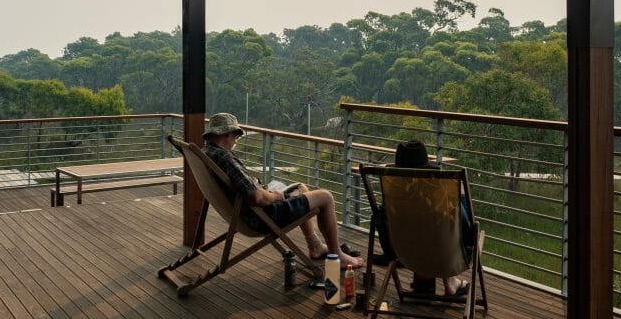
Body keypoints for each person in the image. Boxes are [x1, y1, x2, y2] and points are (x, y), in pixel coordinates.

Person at [202, 113, 362, 269]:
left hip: (246, 213)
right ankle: (337, 255)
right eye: (236, 136)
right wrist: (275, 196)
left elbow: (247, 189)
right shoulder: (224, 158)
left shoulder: (208, 152)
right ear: (228, 134)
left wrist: (260, 186)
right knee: (325, 197)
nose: (235, 140)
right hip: (261, 216)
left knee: (300, 188)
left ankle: (315, 246)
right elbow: (256, 198)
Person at [378, 140, 474, 297]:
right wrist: (460, 198)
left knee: (421, 226)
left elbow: (382, 225)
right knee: (448, 215)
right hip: (445, 255)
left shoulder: (392, 199)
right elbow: (466, 231)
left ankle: (425, 279)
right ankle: (450, 282)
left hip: (402, 255)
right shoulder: (441, 199)